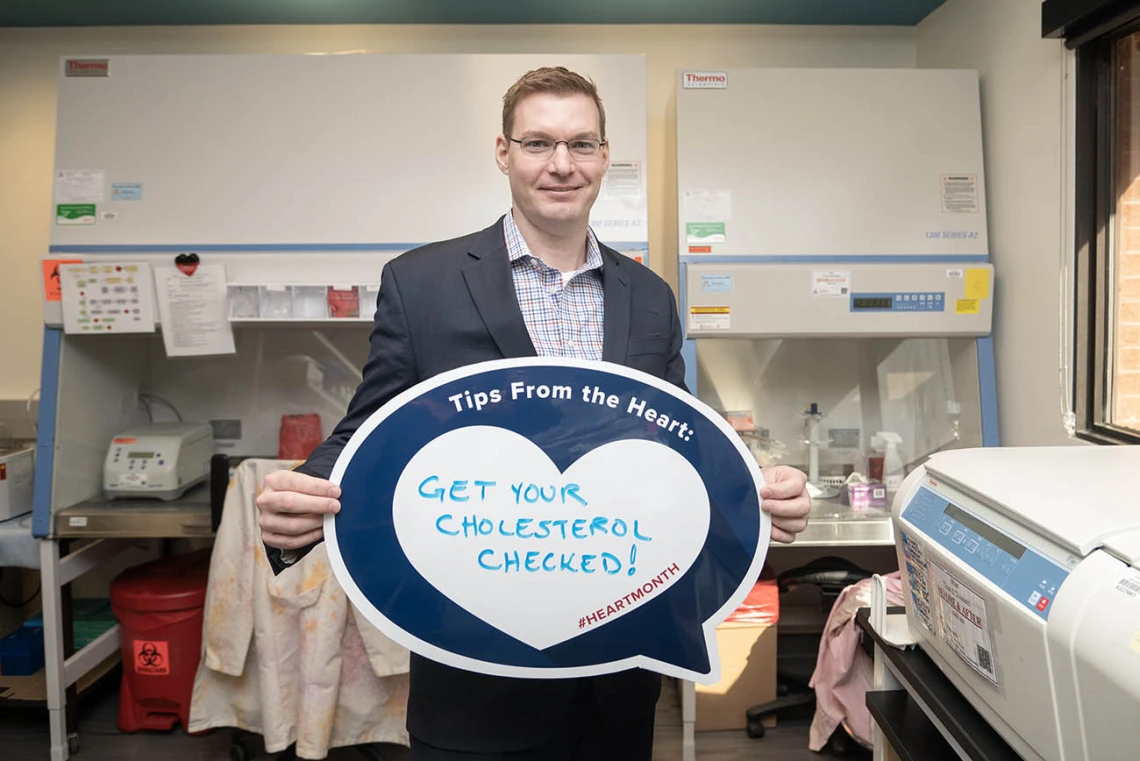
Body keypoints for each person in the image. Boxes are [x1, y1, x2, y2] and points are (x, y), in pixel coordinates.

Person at [257, 66, 811, 761]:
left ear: (605, 156)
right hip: (474, 671)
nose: (560, 165)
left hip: (617, 670)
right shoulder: (422, 282)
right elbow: (369, 431)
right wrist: (299, 501)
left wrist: (756, 492)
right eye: (538, 143)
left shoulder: (649, 295)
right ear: (503, 152)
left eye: (581, 144)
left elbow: (679, 446)